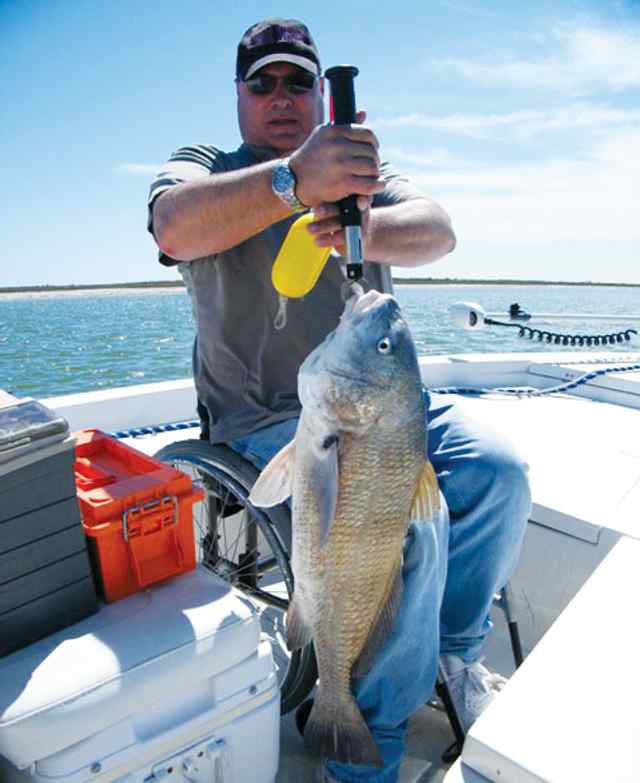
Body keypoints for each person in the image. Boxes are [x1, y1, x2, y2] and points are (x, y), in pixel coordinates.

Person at [147, 18, 531, 783]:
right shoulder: (204, 166)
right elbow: (174, 226)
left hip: (383, 401)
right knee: (412, 532)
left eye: (298, 81)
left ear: (322, 95)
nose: (281, 96)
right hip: (262, 421)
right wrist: (293, 182)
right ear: (238, 95)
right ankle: (367, 741)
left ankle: (453, 654)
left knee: (498, 468)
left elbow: (438, 231)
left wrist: (354, 218)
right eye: (263, 82)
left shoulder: (360, 169)